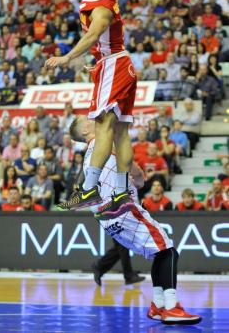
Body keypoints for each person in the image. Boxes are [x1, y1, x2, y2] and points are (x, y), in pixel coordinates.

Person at [68, 115, 201, 325]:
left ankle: (158, 305)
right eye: (86, 119)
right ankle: (171, 307)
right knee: (168, 250)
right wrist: (138, 178)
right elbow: (128, 162)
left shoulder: (89, 157)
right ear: (84, 132)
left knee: (161, 252)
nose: (91, 117)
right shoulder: (102, 142)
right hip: (123, 210)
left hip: (108, 217)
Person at [45, 0, 137, 217]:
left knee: (103, 128)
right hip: (112, 64)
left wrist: (67, 58)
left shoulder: (102, 11)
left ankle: (90, 188)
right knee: (121, 132)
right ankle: (121, 193)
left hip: (114, 64)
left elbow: (93, 37)